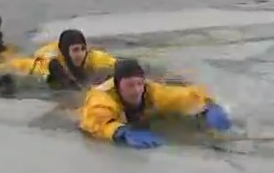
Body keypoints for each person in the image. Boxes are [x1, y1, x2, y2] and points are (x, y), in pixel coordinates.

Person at [79, 58, 232, 149]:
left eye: (139, 84)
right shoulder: (102, 98)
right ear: (118, 86)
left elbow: (184, 96)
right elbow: (93, 123)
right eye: (130, 85)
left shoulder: (151, 91)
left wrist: (210, 106)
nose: (137, 90)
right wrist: (120, 132)